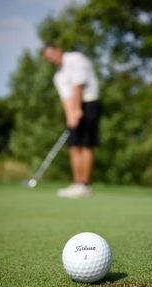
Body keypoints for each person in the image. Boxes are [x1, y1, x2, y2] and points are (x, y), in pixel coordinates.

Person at [42, 44, 100, 198]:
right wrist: (70, 116)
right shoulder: (58, 76)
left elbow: (78, 85)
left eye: (51, 55)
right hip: (74, 108)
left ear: (58, 50)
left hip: (89, 102)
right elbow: (65, 98)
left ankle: (85, 185)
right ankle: (77, 183)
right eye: (47, 58)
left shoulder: (75, 58)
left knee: (86, 144)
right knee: (74, 145)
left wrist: (77, 110)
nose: (51, 59)